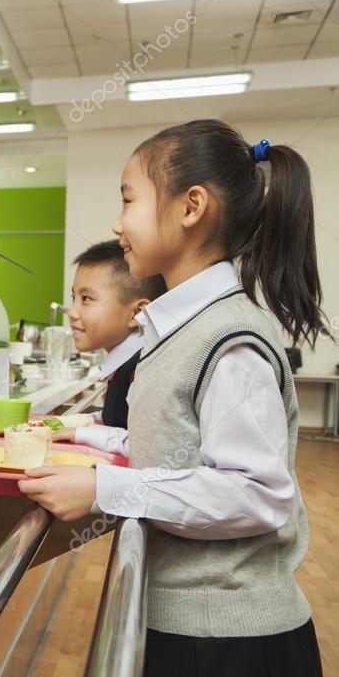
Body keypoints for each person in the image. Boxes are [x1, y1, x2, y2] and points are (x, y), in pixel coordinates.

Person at [19, 119, 329, 677]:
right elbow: (173, 445)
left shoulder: (230, 337)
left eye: (129, 200)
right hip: (187, 626)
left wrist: (103, 488)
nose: (117, 224)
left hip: (228, 644)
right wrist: (79, 434)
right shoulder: (182, 330)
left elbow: (256, 493)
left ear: (191, 207)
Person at [54, 239, 165, 450]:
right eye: (73, 297)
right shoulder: (123, 365)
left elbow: (147, 447)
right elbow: (117, 418)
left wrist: (80, 434)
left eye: (86, 298)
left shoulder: (142, 370)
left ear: (138, 313)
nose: (73, 312)